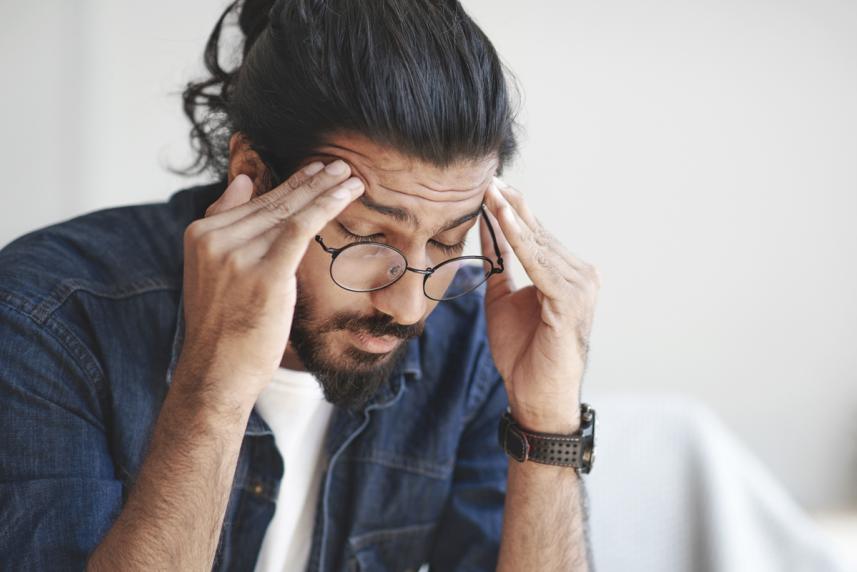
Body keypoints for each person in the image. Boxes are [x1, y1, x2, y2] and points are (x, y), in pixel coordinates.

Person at [0, 0, 601, 570]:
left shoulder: (470, 344)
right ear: (253, 178)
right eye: (367, 237)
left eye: (448, 242)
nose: (410, 304)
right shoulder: (46, 319)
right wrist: (216, 386)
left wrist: (547, 422)